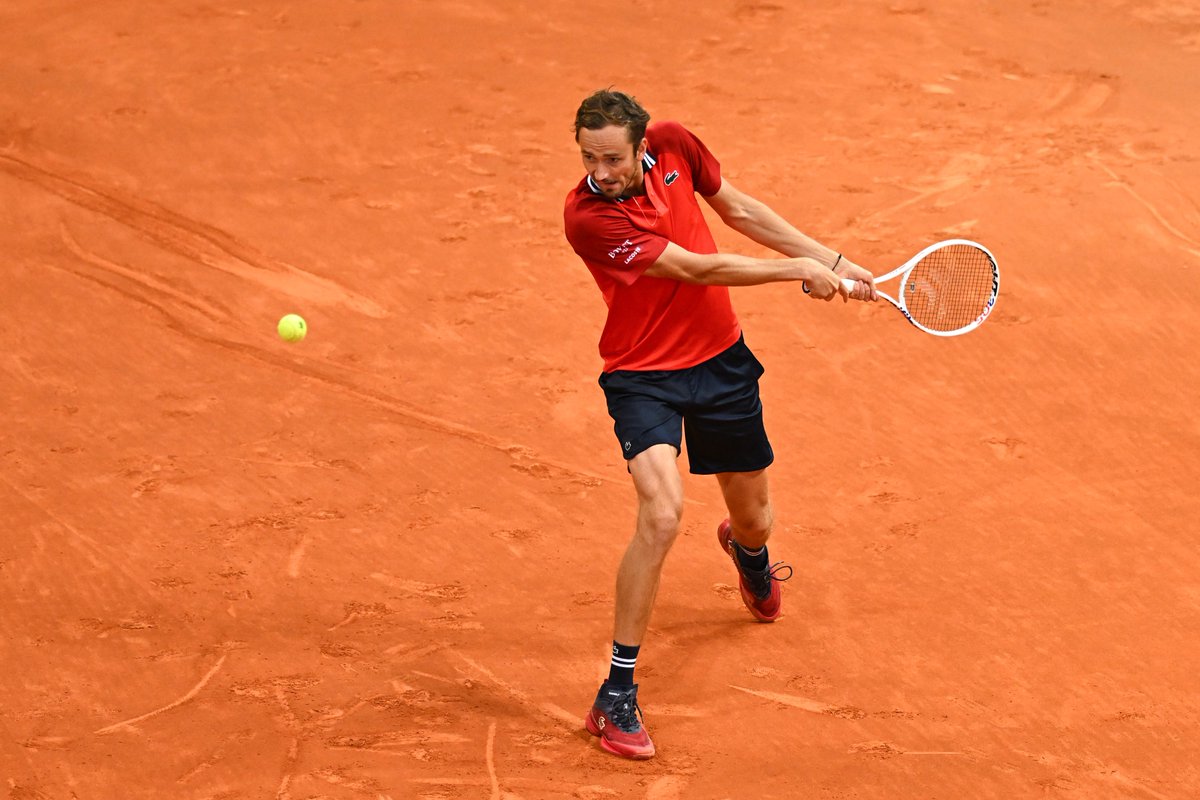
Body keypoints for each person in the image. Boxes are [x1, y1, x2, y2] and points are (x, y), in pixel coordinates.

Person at [562, 88, 877, 760]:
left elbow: (737, 209)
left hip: (720, 366)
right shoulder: (588, 217)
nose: (601, 170)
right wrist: (796, 269)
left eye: (613, 157)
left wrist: (834, 258)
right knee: (661, 514)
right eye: (589, 157)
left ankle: (748, 551)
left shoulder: (676, 142)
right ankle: (616, 694)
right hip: (641, 376)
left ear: (644, 146)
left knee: (757, 516)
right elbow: (692, 268)